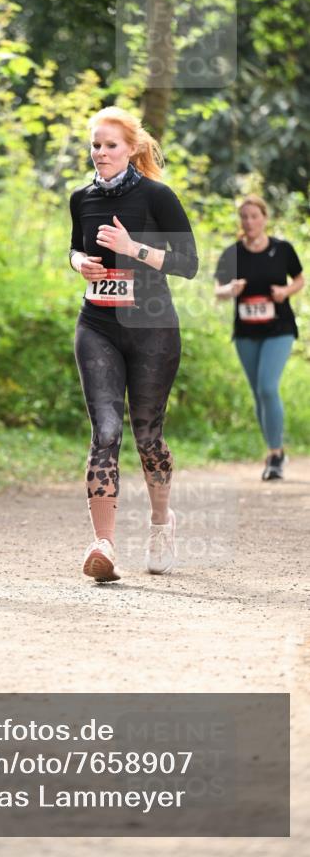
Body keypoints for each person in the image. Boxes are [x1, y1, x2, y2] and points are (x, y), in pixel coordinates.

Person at [69, 106, 198, 582]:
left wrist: (133, 249)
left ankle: (161, 523)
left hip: (152, 327)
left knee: (148, 437)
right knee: (105, 432)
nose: (100, 153)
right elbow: (75, 246)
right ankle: (103, 544)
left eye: (110, 145)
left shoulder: (157, 196)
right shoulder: (81, 198)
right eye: (95, 145)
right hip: (97, 324)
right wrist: (79, 263)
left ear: (131, 149)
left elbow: (189, 264)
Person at [215, 194, 304, 480]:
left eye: (254, 216)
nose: (249, 221)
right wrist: (230, 289)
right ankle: (274, 450)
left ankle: (275, 455)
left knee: (267, 387)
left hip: (279, 329)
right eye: (244, 217)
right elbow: (218, 290)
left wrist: (285, 292)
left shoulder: (282, 249)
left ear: (265, 218)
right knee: (257, 393)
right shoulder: (232, 253)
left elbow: (300, 279)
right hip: (246, 332)